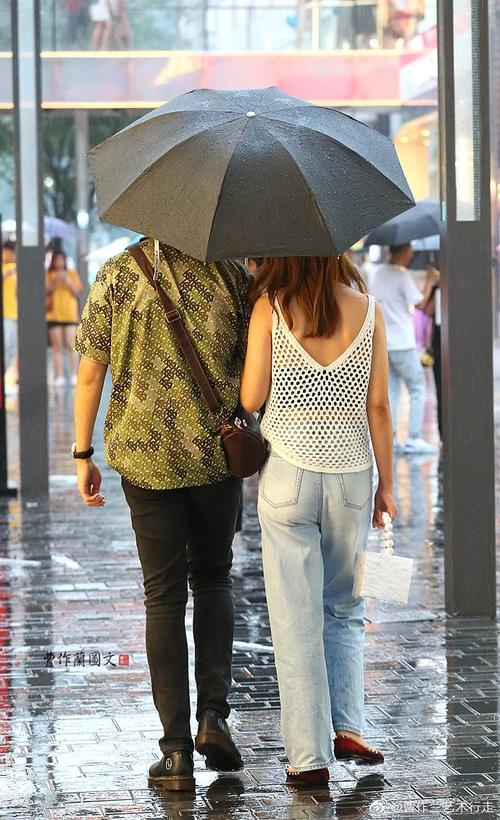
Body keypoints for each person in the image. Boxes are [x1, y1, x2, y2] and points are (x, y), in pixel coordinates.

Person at [73, 237, 250, 791]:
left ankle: (175, 753)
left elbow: (89, 374)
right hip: (215, 455)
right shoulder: (230, 276)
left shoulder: (116, 275)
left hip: (145, 460)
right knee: (215, 579)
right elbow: (253, 376)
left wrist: (82, 454)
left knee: (163, 595)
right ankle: (213, 718)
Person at [240, 255, 397, 786]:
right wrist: (389, 486)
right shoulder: (370, 311)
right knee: (345, 607)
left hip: (288, 476)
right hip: (352, 478)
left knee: (294, 618)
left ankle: (307, 756)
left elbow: (251, 398)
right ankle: (349, 726)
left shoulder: (271, 307)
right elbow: (378, 406)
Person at [369, 243, 439, 454]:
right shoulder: (401, 275)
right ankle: (413, 438)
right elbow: (419, 304)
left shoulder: (377, 273)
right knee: (418, 388)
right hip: (402, 343)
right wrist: (431, 281)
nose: (411, 253)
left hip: (384, 343)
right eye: (409, 249)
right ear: (403, 250)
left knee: (392, 391)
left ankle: (391, 438)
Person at [46, 250, 83, 387]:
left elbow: (77, 291)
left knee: (71, 346)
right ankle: (59, 376)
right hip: (54, 315)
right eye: (57, 260)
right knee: (57, 347)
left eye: (62, 260)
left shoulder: (72, 274)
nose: (59, 263)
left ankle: (74, 374)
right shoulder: (49, 274)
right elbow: (45, 290)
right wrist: (55, 281)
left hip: (69, 315)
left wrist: (67, 280)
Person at [424, 266, 442, 440]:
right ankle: (443, 433)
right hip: (439, 342)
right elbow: (427, 310)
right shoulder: (437, 287)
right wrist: (435, 285)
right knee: (440, 388)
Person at [2, 240, 18, 390]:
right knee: (6, 347)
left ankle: (7, 379)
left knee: (13, 348)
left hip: (14, 314)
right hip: (5, 314)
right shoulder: (6, 269)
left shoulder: (15, 268)